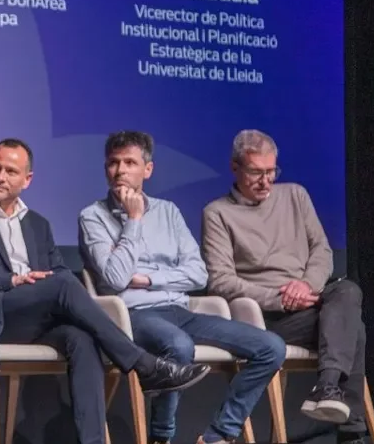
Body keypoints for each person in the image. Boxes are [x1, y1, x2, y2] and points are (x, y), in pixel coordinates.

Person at [0, 138, 210, 444]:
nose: (0, 177)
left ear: (27, 180)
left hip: (35, 320)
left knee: (82, 337)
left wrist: (44, 286)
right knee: (63, 285)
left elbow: (59, 271)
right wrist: (10, 281)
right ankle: (143, 365)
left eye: (11, 171)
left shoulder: (37, 224)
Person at [78, 131, 286, 444]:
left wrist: (148, 278)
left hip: (180, 309)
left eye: (130, 162)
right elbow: (118, 278)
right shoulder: (92, 216)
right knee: (179, 346)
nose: (120, 170)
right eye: (113, 163)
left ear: (147, 170)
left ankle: (219, 435)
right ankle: (162, 437)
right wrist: (134, 219)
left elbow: (198, 274)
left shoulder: (168, 212)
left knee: (271, 347)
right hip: (132, 314)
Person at [201, 129, 368, 444]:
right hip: (268, 317)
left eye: (271, 171)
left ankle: (327, 386)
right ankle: (351, 429)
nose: (266, 181)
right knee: (353, 328)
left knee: (347, 291)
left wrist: (305, 286)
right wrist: (281, 298)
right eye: (256, 172)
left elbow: (321, 251)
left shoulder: (295, 195)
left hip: (311, 299)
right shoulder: (217, 213)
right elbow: (220, 281)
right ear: (235, 167)